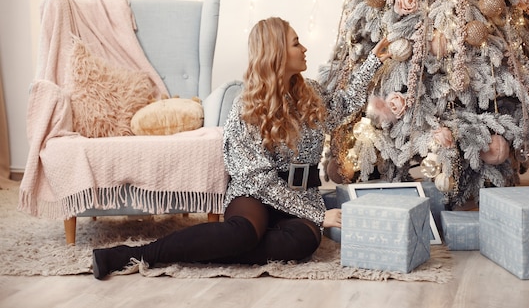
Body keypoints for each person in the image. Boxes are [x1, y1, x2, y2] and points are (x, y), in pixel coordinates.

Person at [92, 17, 390, 279]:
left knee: (302, 244)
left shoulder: (310, 91)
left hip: (301, 194)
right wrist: (317, 216)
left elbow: (345, 106)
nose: (304, 49)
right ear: (276, 53)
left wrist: (373, 62)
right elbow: (260, 180)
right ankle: (135, 255)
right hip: (255, 194)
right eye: (296, 43)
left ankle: (212, 247)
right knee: (242, 233)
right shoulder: (245, 107)